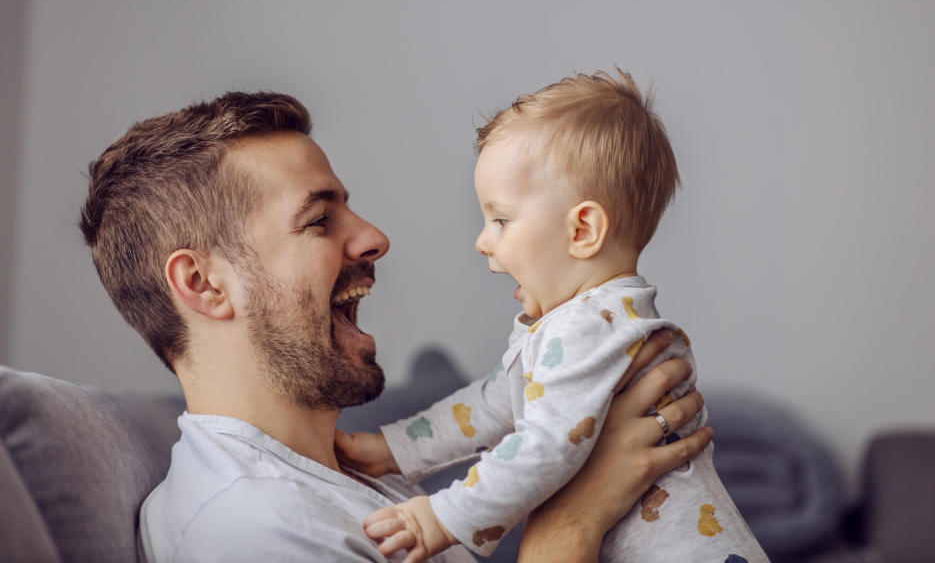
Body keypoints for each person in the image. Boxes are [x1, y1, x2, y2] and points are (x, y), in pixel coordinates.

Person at [79, 91, 713, 562]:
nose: (375, 238)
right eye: (318, 221)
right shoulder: (249, 530)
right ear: (203, 284)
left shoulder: (343, 476)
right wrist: (574, 518)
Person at [337, 70, 767, 562]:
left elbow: (544, 451)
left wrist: (442, 517)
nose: (482, 242)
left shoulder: (591, 327)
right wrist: (392, 449)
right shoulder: (579, 324)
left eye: (500, 220)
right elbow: (489, 405)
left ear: (582, 229)